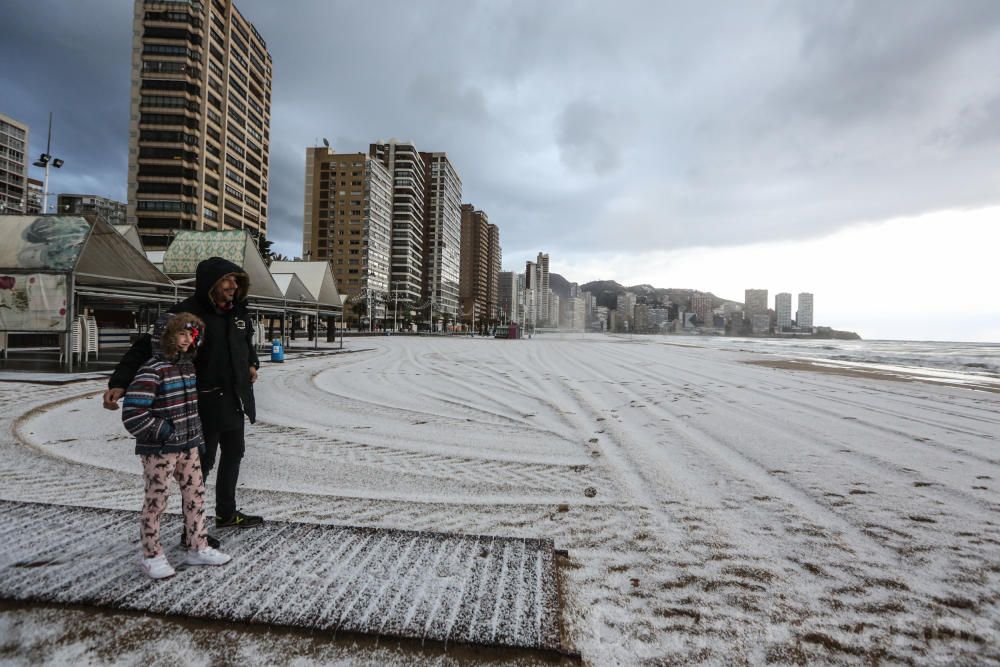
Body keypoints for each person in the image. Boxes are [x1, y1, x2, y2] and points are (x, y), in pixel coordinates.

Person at [105, 257, 263, 544]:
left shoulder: (239, 313)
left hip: (236, 399)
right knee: (201, 465)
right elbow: (145, 348)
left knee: (235, 453)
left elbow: (246, 344)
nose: (232, 286)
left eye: (236, 280)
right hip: (202, 402)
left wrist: (253, 364)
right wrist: (120, 382)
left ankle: (226, 513)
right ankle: (192, 530)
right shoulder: (186, 314)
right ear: (210, 283)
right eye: (227, 280)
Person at [122, 312, 232, 579]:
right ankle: (152, 555)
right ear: (166, 336)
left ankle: (198, 546)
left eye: (191, 334)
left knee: (196, 497)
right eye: (181, 334)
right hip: (160, 450)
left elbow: (191, 409)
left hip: (189, 446)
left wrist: (196, 440)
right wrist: (164, 432)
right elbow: (133, 414)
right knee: (156, 501)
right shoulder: (152, 369)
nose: (187, 340)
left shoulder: (186, 367)